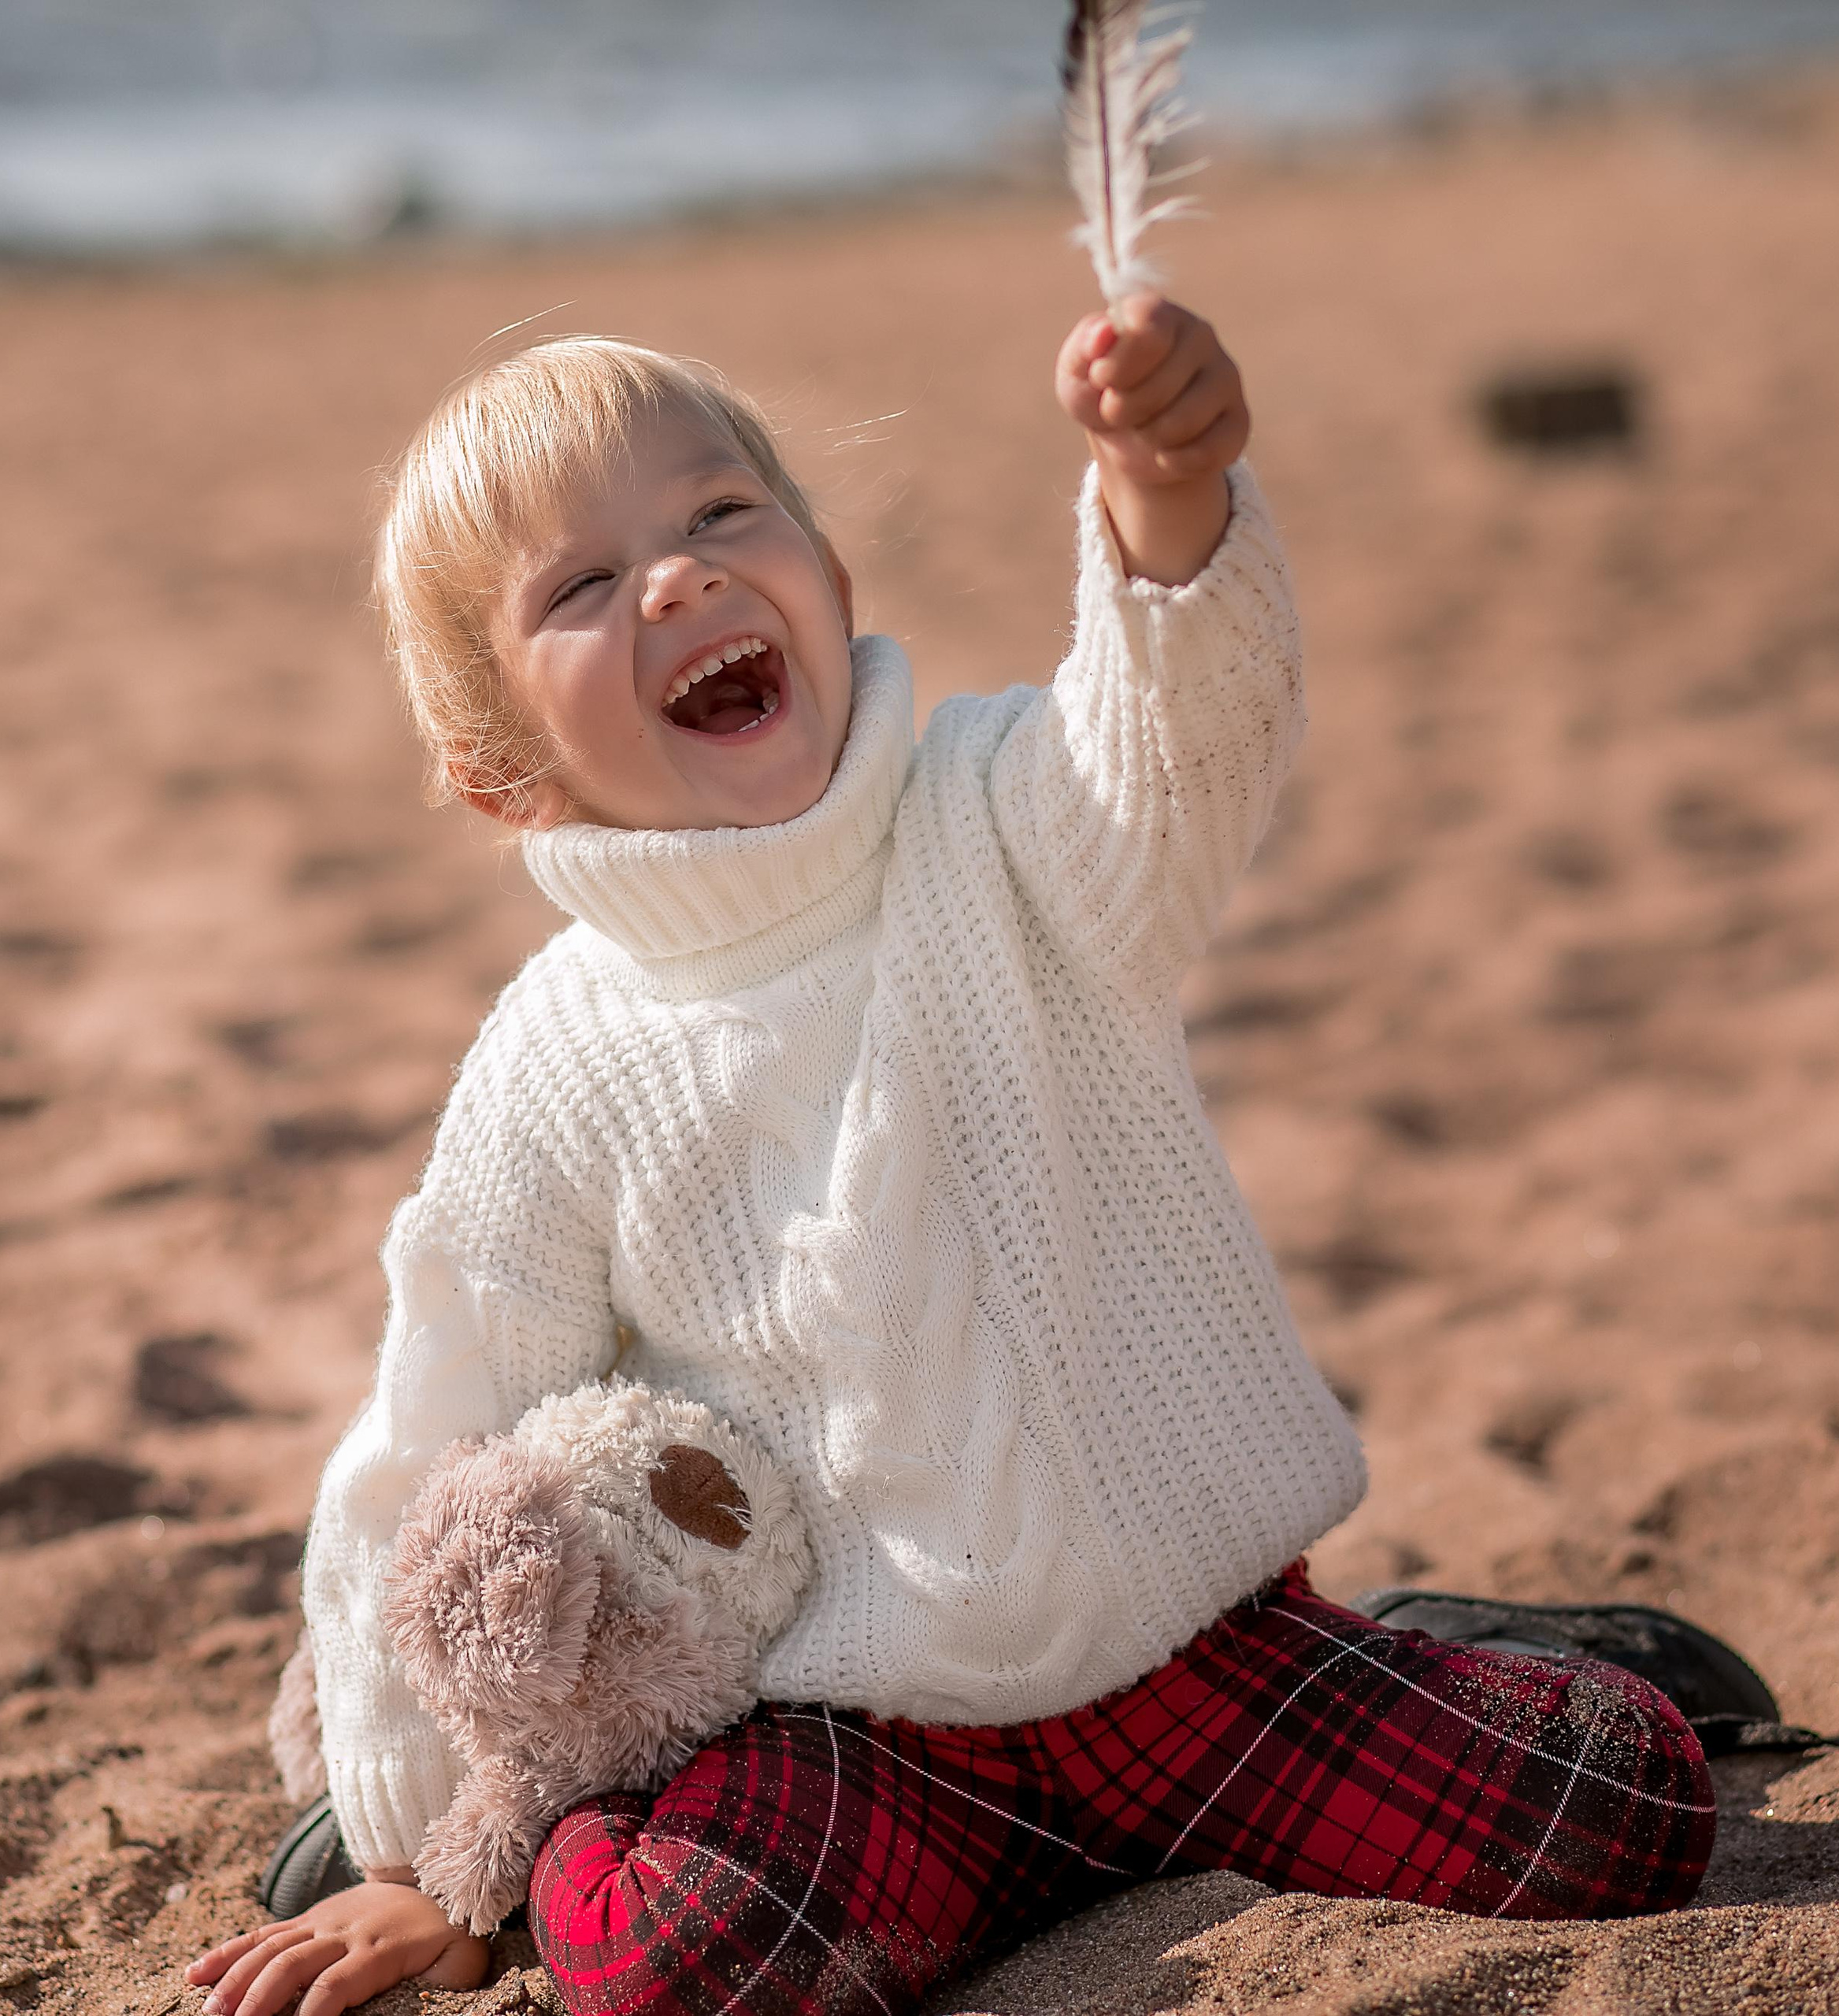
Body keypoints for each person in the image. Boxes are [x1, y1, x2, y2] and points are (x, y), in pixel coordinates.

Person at [186, 302, 1733, 2016]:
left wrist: (1163, 503)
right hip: (862, 1723)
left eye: (719, 518)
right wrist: (420, 1854)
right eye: (579, 586)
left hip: (1187, 1653)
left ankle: (1440, 1639)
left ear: (830, 583)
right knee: (673, 1959)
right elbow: (439, 1441)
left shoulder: (998, 814)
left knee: (1622, 1809)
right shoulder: (552, 1063)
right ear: (502, 774)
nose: (679, 583)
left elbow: (1180, 754)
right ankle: (612, 1815)